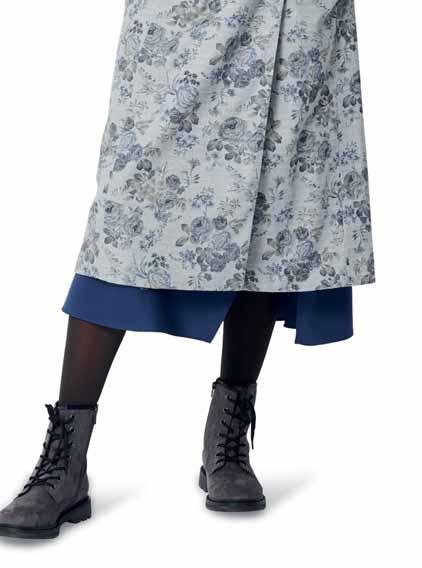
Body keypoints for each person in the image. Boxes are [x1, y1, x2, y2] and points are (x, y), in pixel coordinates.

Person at [0, 0, 375, 538]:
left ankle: (228, 440)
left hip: (294, 19)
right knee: (125, 223)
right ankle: (65, 461)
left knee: (270, 209)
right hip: (181, 20)